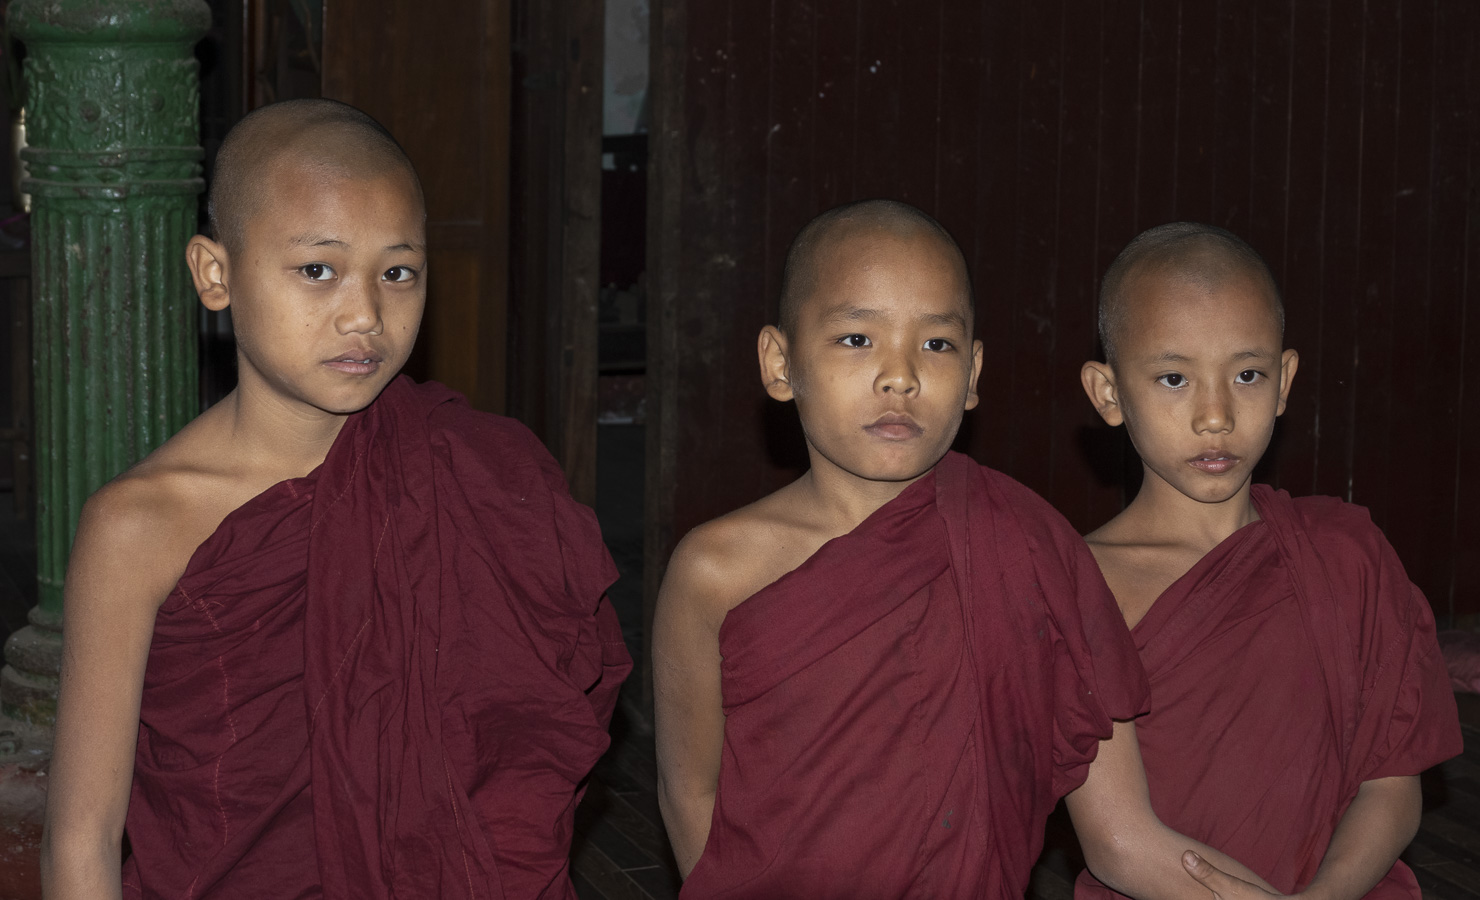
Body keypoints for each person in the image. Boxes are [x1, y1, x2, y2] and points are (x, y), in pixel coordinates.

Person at [41, 99, 631, 900]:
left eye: (398, 272)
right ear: (216, 275)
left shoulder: (476, 474)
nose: (364, 315)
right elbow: (82, 842)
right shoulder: (140, 526)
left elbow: (525, 758)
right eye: (318, 269)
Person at [653, 200, 1278, 899]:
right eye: (857, 339)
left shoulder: (1028, 547)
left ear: (974, 372)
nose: (901, 376)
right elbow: (691, 792)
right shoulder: (717, 570)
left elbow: (1123, 836)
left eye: (937, 344)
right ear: (779, 362)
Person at [1073, 223, 1462, 900]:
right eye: (1173, 378)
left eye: (1247, 375)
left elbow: (1392, 789)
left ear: (1284, 382)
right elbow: (1119, 843)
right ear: (1109, 394)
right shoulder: (1080, 582)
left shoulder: (1345, 556)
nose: (1216, 415)